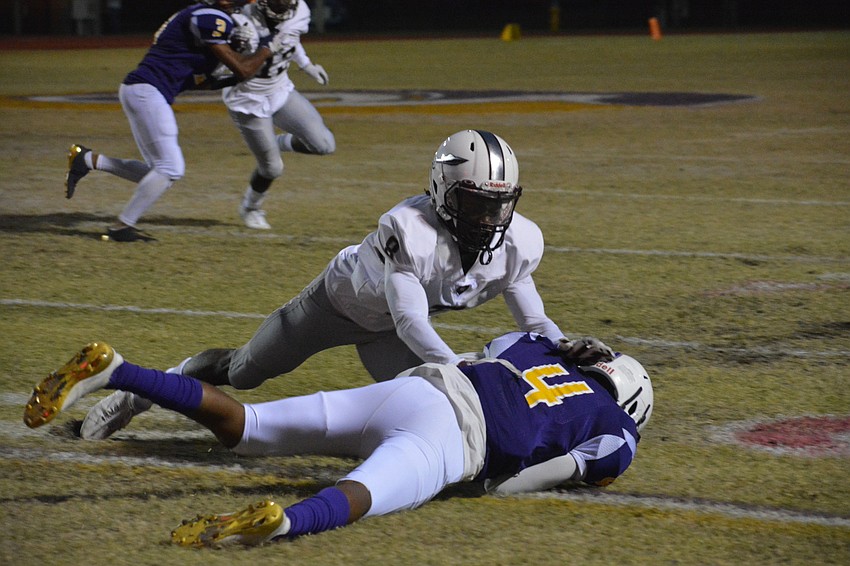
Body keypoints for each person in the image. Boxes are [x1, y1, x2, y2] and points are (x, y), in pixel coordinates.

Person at [79, 129, 616, 439]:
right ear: (442, 189)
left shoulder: (519, 241)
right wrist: (460, 364)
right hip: (335, 307)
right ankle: (139, 393)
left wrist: (563, 346)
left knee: (432, 404)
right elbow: (409, 317)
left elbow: (534, 319)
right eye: (475, 202)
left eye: (498, 203)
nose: (487, 216)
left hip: (392, 334)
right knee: (243, 374)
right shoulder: (410, 229)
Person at [23, 331, 653, 546]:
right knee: (362, 492)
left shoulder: (539, 349)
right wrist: (487, 482)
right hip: (458, 440)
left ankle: (116, 370)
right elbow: (529, 478)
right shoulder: (619, 430)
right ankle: (284, 524)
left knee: (249, 425)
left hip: (418, 388)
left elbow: (486, 352)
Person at [63, 0, 289, 242]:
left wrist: (233, 75)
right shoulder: (212, 16)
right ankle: (121, 227)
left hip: (142, 90)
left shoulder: (205, 22)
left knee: (157, 173)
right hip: (148, 90)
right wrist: (267, 49)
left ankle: (86, 159)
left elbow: (200, 81)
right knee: (170, 168)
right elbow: (243, 69)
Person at [224, 0, 335, 230]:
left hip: (279, 89)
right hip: (248, 99)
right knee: (272, 168)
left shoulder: (300, 9)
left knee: (324, 144)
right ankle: (250, 208)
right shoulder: (241, 20)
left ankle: (278, 143)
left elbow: (290, 38)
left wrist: (307, 65)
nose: (283, 6)